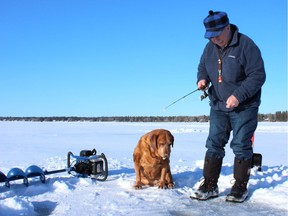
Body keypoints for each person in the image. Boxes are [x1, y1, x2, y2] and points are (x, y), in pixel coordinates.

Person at [193, 10, 266, 202]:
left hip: (244, 107)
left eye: (217, 34)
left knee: (241, 145)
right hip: (218, 105)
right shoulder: (209, 47)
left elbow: (258, 75)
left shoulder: (246, 45)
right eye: (210, 36)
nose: (214, 39)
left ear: (228, 27)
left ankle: (240, 187)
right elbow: (203, 66)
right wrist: (202, 79)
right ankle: (209, 185)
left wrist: (238, 95)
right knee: (214, 143)